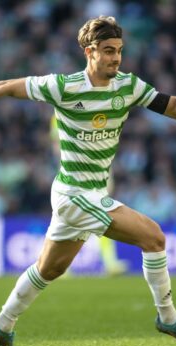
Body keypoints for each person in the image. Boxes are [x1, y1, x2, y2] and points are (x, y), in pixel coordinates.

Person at [0, 16, 176, 346]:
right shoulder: (63, 86)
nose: (116, 58)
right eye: (108, 51)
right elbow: (6, 87)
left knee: (49, 269)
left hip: (90, 193)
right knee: (153, 237)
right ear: (90, 51)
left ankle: (2, 324)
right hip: (73, 194)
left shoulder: (129, 86)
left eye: (119, 50)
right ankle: (167, 318)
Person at [50, 113, 129, 276]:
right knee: (69, 218)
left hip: (99, 169)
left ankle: (110, 263)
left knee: (104, 214)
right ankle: (61, 266)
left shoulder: (96, 106)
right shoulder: (58, 115)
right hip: (74, 173)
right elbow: (56, 145)